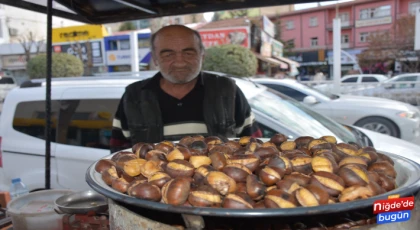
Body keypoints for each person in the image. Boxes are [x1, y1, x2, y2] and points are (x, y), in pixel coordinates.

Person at [110, 25, 261, 152]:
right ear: (155, 59)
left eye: (188, 53)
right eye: (168, 54)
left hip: (220, 185)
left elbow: (255, 146)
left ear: (202, 55)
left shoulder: (228, 91)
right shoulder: (133, 96)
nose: (180, 62)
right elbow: (118, 155)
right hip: (154, 186)